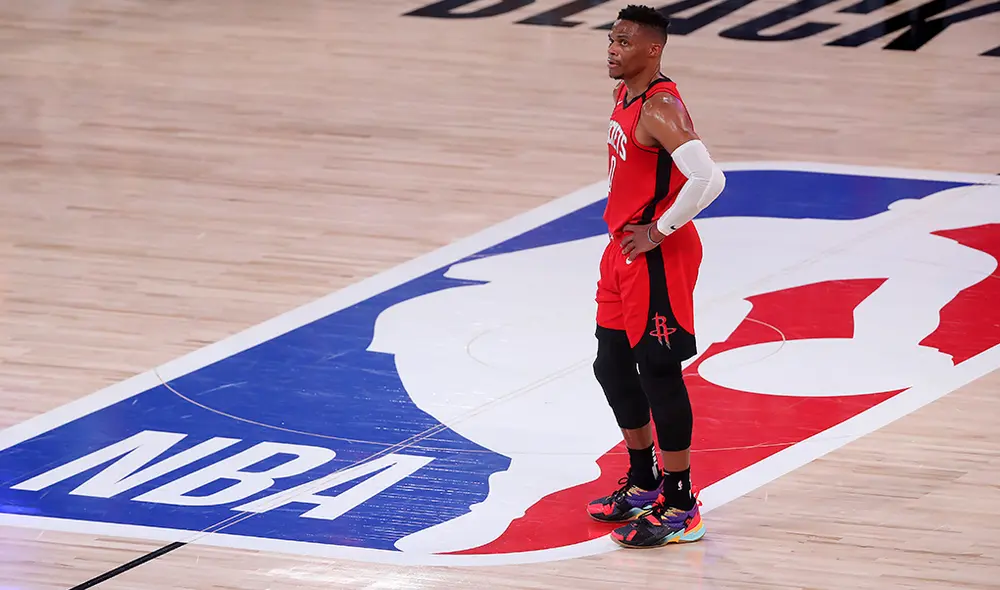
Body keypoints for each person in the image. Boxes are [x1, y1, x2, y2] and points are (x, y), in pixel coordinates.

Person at [586, 4, 726, 549]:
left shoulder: (660, 105)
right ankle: (644, 481)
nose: (612, 49)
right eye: (611, 40)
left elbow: (708, 179)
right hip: (622, 246)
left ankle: (681, 503)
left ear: (653, 50)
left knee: (658, 374)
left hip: (656, 253)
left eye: (623, 42)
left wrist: (660, 230)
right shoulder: (625, 94)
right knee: (612, 365)